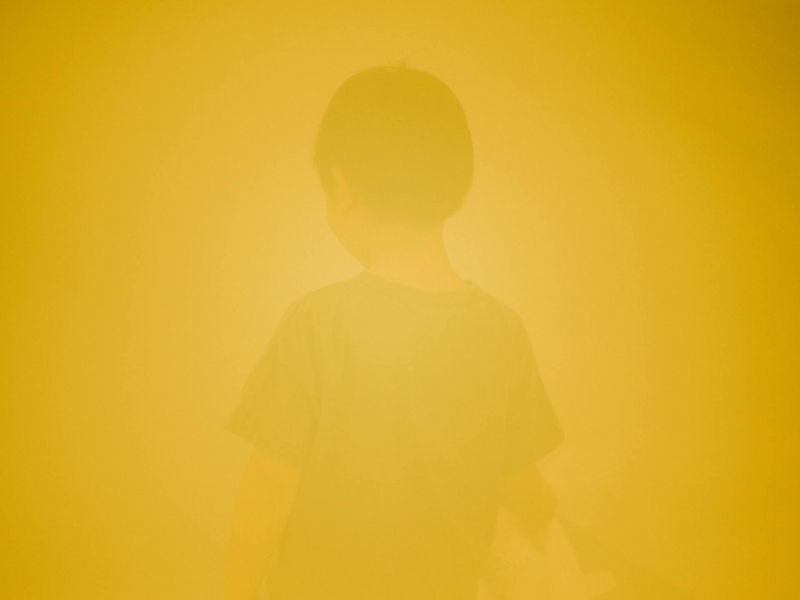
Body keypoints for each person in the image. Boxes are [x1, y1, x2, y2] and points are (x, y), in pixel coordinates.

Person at [223, 63, 568, 600]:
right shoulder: (502, 332)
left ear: (343, 188)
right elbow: (518, 483)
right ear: (455, 184)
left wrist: (236, 591)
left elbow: (270, 487)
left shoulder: (318, 325)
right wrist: (542, 507)